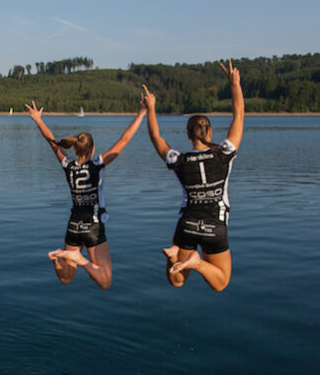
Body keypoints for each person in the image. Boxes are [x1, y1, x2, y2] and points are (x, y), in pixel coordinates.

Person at [144, 59, 244, 291]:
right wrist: (235, 84)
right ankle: (197, 263)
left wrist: (151, 108)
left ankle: (173, 256)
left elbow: (156, 138)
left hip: (187, 224)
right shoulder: (224, 155)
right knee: (221, 283)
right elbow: (238, 117)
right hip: (215, 225)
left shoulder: (179, 160)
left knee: (177, 280)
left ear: (188, 133)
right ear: (209, 131)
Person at [25, 100, 147, 290]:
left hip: (74, 224)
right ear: (92, 149)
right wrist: (141, 113)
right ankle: (79, 260)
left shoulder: (68, 164)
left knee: (66, 278)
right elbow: (123, 140)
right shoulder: (97, 164)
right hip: (93, 225)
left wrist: (39, 120)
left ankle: (58, 259)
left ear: (75, 149)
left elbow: (53, 143)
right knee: (105, 282)